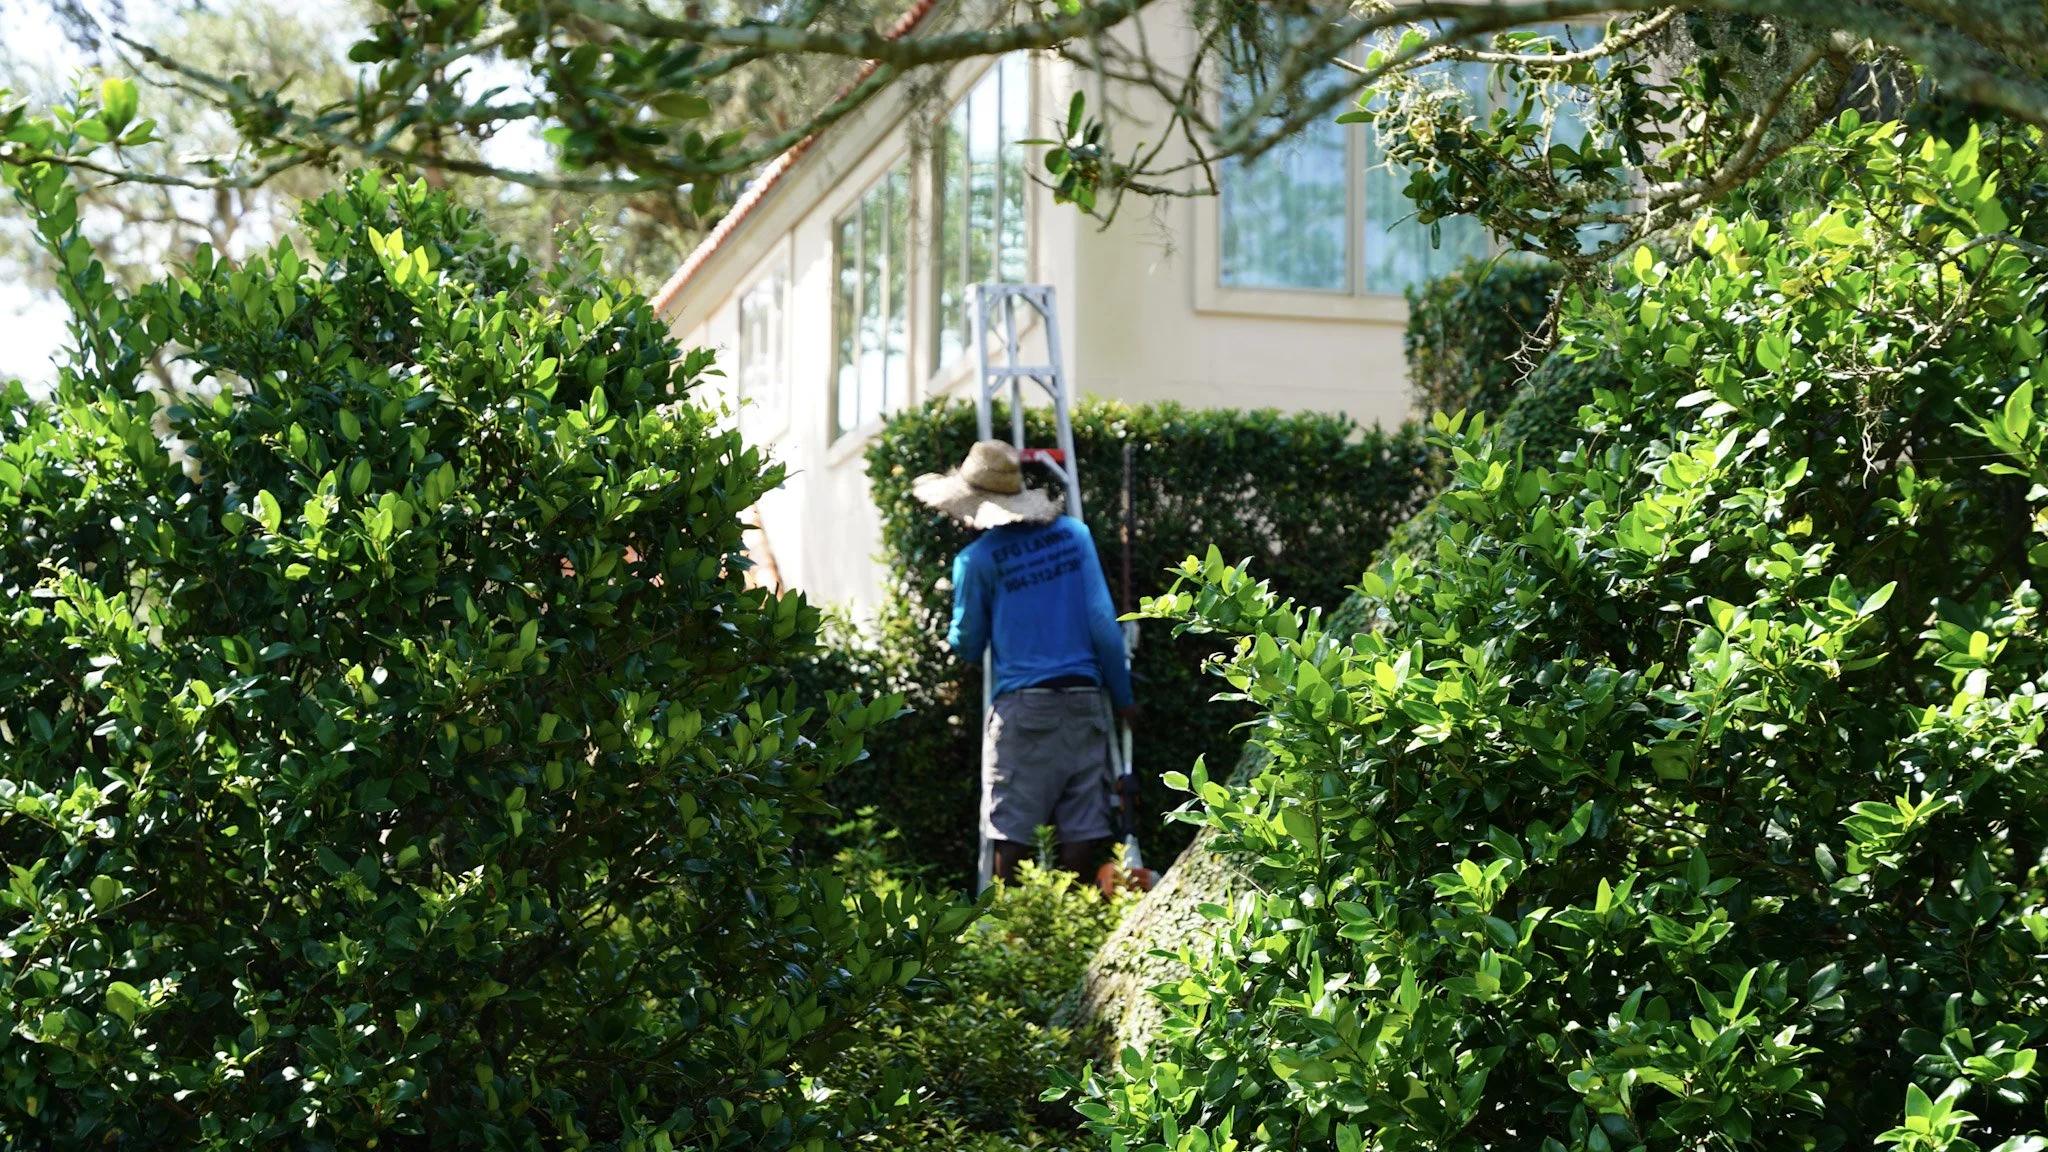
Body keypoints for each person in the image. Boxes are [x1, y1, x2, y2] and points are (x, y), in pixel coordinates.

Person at [913, 440, 1136, 884]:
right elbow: (1103, 624)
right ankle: (1070, 933)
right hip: (1086, 700)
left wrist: (955, 624)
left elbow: (969, 645)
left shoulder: (975, 561)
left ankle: (1016, 939)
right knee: (1082, 826)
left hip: (1023, 708)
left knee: (1011, 831)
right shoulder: (1075, 535)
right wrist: (1124, 698)